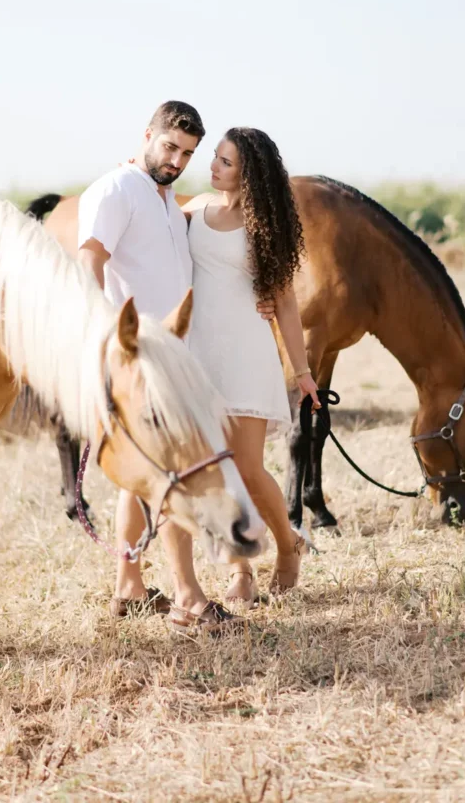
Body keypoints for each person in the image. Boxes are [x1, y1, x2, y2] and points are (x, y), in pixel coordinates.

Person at [78, 101, 258, 632]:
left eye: (187, 153)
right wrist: (100, 346)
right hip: (140, 361)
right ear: (147, 135)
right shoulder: (115, 190)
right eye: (169, 147)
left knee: (140, 479)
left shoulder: (163, 199)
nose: (176, 160)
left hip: (171, 357)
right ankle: (188, 597)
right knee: (176, 468)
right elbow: (89, 263)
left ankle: (129, 587)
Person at [183, 128, 320, 607]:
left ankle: (287, 545)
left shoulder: (263, 228)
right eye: (215, 157)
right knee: (213, 472)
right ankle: (240, 569)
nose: (213, 166)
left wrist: (302, 372)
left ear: (250, 175)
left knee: (247, 467)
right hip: (197, 356)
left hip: (246, 353)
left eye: (226, 162)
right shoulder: (193, 209)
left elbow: (285, 302)